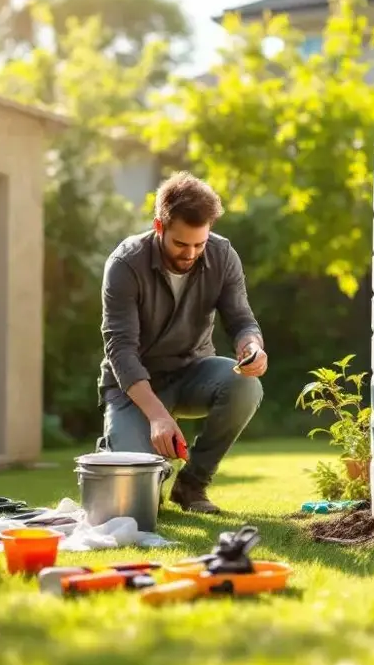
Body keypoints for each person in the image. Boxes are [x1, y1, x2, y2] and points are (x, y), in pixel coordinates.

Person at [96, 171, 267, 514]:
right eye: (181, 244)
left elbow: (242, 319)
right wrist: (158, 416)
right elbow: (121, 350)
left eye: (199, 244)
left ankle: (192, 487)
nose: (191, 253)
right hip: (133, 386)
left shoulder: (222, 255)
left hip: (192, 373)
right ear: (160, 227)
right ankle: (118, 448)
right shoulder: (125, 264)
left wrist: (252, 346)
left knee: (246, 387)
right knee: (140, 507)